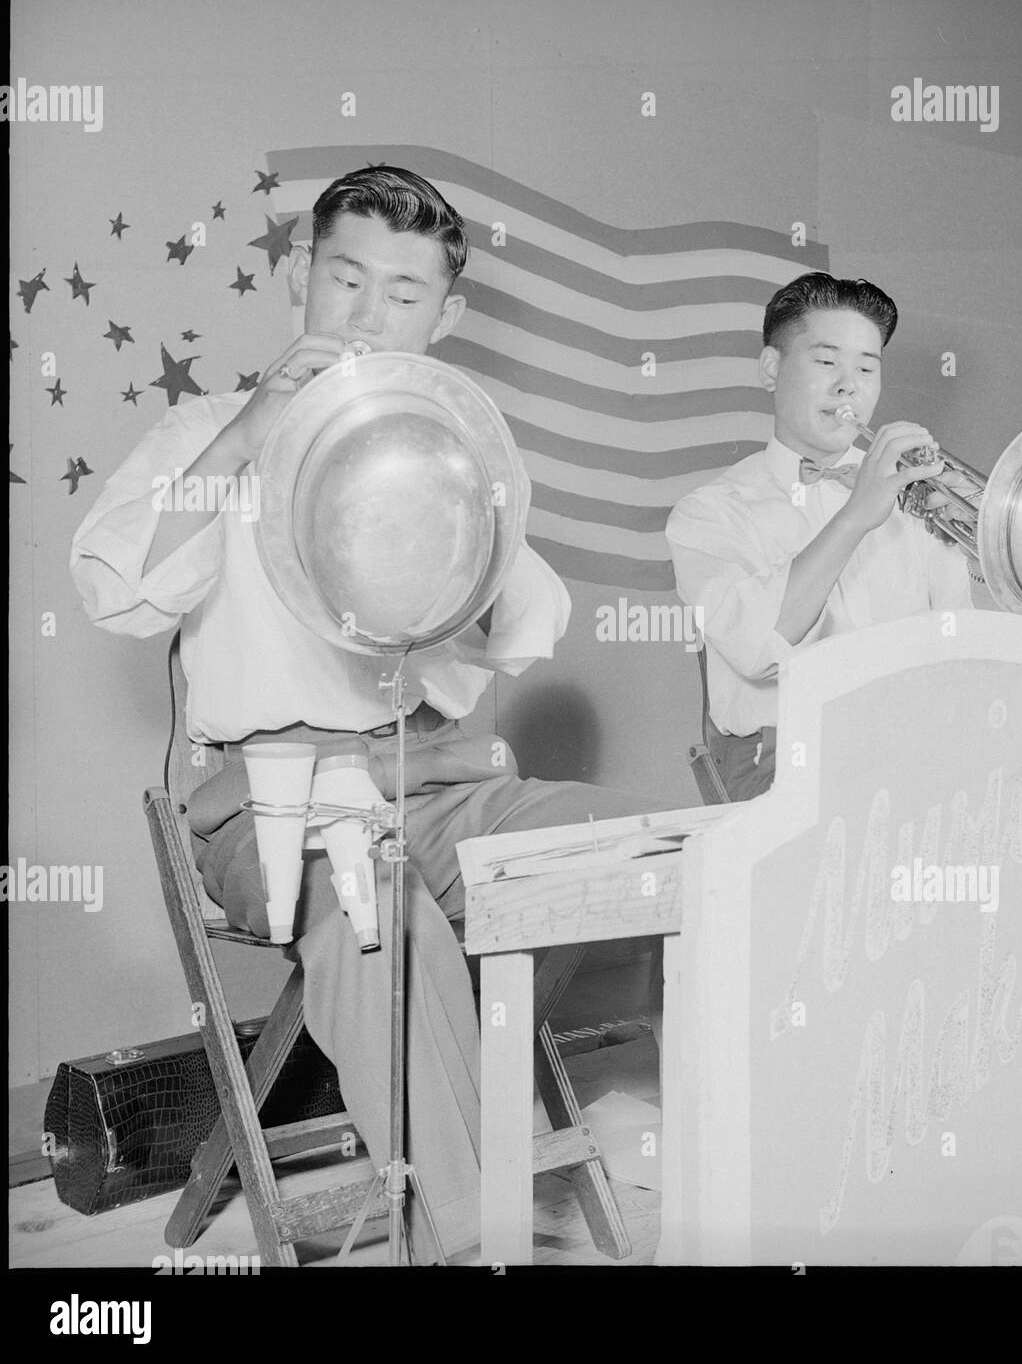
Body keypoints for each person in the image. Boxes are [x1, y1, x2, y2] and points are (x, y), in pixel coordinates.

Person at [71, 166, 669, 1263]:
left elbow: (526, 619)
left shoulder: (440, 440)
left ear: (444, 318)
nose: (364, 313)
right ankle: (473, 1238)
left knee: (651, 846)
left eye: (402, 294)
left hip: (434, 774)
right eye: (344, 277)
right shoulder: (205, 428)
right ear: (301, 274)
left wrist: (438, 490)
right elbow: (116, 588)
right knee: (375, 900)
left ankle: (494, 1099)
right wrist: (256, 430)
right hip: (268, 799)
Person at [666, 272, 975, 800]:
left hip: (916, 757)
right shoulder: (709, 513)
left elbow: (965, 647)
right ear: (771, 368)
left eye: (866, 367)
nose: (848, 385)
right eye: (827, 362)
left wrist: (978, 545)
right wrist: (856, 516)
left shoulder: (917, 498)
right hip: (781, 774)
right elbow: (757, 650)